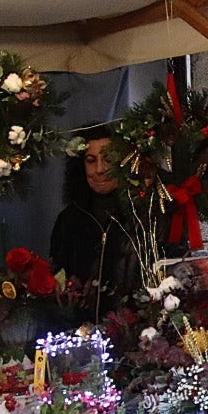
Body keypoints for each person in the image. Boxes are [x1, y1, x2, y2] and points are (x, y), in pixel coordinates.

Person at [49, 125, 148, 319]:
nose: (100, 169)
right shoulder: (68, 219)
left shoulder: (144, 216)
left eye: (108, 159)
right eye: (91, 161)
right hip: (80, 330)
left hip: (133, 329)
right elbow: (57, 276)